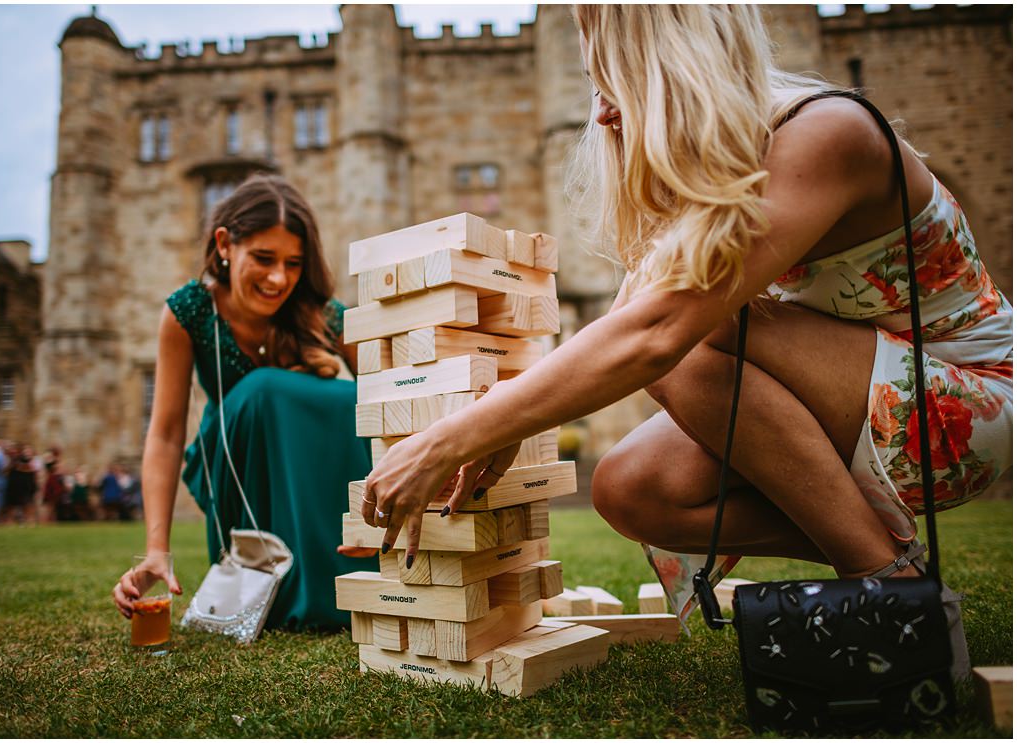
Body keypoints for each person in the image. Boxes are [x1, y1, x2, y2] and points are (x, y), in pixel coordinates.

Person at [358, 5, 1010, 674]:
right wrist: (505, 429)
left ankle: (889, 584)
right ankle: (886, 550)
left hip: (972, 399)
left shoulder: (828, 134)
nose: (604, 115)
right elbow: (621, 326)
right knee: (630, 487)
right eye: (594, 86)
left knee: (694, 333)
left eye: (617, 83)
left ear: (678, 68)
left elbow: (655, 332)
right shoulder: (713, 182)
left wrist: (448, 438)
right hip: (858, 401)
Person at [112, 174, 376, 631]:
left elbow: (389, 389)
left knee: (351, 398)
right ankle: (281, 580)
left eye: (294, 263)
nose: (279, 278)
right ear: (224, 244)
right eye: (264, 258)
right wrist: (157, 549)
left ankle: (354, 571)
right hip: (234, 463)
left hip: (310, 465)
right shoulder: (189, 310)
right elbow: (167, 433)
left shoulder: (322, 312)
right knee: (265, 390)